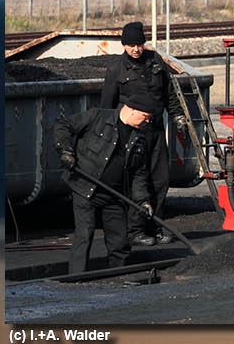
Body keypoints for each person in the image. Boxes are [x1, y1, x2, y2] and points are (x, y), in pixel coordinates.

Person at [101, 21, 186, 246]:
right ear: (124, 45)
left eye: (139, 44)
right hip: (131, 134)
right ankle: (135, 230)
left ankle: (156, 226)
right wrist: (111, 135)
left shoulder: (155, 61)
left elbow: (169, 93)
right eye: (131, 45)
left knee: (160, 180)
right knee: (137, 182)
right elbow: (107, 106)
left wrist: (177, 115)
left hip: (155, 131)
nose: (136, 49)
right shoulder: (116, 69)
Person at [54, 94, 154, 274]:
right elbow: (63, 125)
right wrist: (65, 150)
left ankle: (117, 277)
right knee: (84, 236)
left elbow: (138, 174)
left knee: (119, 242)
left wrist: (143, 200)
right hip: (85, 188)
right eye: (145, 116)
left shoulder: (139, 138)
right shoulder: (97, 117)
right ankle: (76, 279)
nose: (147, 121)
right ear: (132, 110)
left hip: (115, 196)